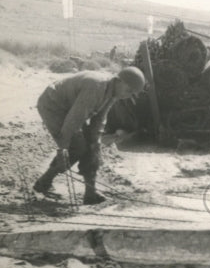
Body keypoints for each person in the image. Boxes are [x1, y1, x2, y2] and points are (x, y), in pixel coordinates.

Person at [32, 67, 146, 204]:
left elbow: (99, 119)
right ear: (118, 81)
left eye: (132, 94)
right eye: (128, 90)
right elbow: (74, 120)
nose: (128, 95)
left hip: (71, 107)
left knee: (92, 147)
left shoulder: (113, 93)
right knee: (77, 146)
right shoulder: (96, 87)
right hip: (53, 105)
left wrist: (95, 143)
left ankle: (90, 193)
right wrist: (63, 148)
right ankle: (43, 183)